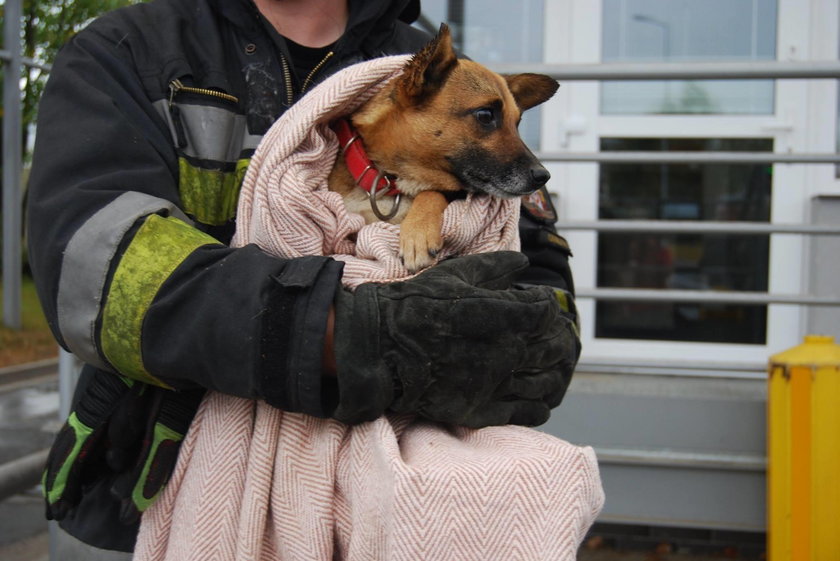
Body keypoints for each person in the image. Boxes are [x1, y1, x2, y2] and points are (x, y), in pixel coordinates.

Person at [26, 0, 581, 557]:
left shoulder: (441, 70)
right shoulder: (130, 51)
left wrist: (532, 341)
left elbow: (535, 272)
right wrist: (346, 336)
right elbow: (93, 265)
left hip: (407, 505)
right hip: (153, 483)